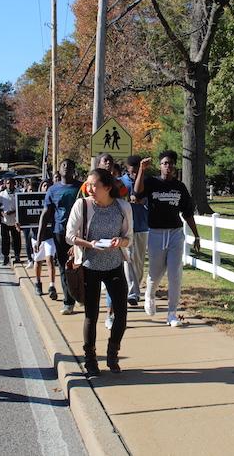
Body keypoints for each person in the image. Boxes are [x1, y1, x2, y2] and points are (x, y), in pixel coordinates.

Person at [66, 168, 133, 376]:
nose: (89, 188)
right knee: (91, 315)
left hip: (114, 265)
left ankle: (112, 354)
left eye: (94, 185)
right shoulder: (82, 205)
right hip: (89, 266)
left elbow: (128, 237)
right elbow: (69, 236)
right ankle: (90, 359)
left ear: (107, 187)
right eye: (88, 184)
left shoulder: (122, 207)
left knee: (121, 314)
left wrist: (119, 241)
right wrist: (90, 244)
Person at [135, 150, 201, 327]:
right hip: (156, 233)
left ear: (174, 166)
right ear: (160, 166)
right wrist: (141, 169)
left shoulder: (179, 187)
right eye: (165, 163)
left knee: (174, 274)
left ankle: (172, 313)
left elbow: (187, 213)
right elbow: (137, 193)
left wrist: (196, 235)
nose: (168, 166)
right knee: (155, 273)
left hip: (175, 234)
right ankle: (149, 294)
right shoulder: (151, 183)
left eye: (171, 163)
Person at [36, 159, 81, 311]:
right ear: (59, 170)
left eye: (69, 166)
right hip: (60, 233)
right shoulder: (53, 190)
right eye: (63, 165)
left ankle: (81, 295)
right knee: (64, 267)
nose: (66, 168)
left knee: (81, 266)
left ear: (74, 169)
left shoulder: (81, 187)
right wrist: (39, 238)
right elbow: (45, 214)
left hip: (80, 233)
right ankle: (68, 302)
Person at [120, 155, 149, 306]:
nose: (135, 174)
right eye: (132, 172)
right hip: (126, 227)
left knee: (138, 261)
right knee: (128, 258)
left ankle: (135, 288)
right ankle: (133, 293)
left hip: (143, 225)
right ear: (127, 170)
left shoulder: (146, 181)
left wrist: (143, 201)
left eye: (137, 172)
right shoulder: (121, 183)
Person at [33, 179, 56, 297]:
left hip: (50, 236)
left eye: (48, 186)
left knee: (50, 259)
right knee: (38, 261)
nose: (46, 188)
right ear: (41, 188)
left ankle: (52, 286)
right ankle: (37, 283)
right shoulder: (33, 200)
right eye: (44, 185)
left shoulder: (54, 200)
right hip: (36, 236)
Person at [0, 178, 22, 265]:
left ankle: (17, 256)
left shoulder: (18, 193)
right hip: (4, 220)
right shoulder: (2, 194)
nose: (9, 185)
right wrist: (2, 213)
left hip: (15, 220)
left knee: (16, 239)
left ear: (14, 184)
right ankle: (5, 257)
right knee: (5, 240)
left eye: (11, 183)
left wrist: (13, 212)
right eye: (8, 183)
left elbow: (21, 206)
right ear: (5, 184)